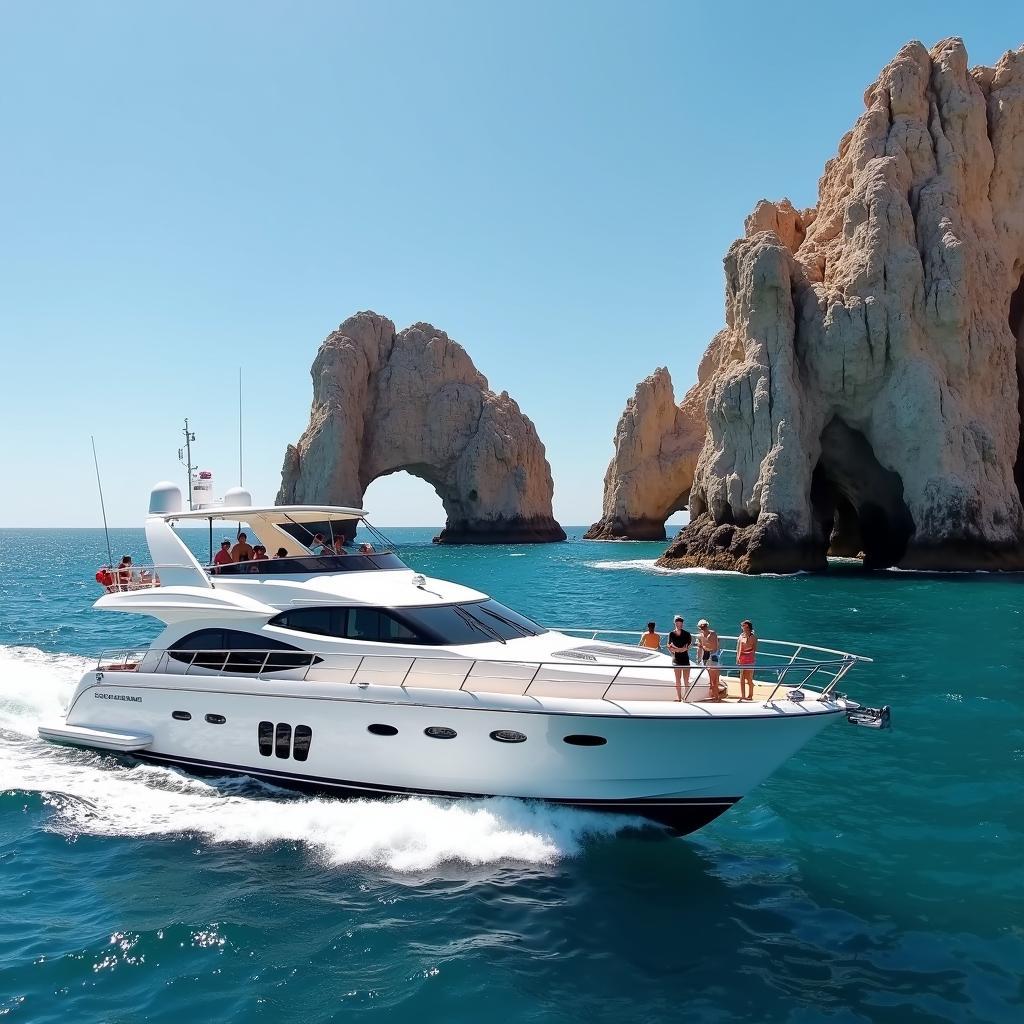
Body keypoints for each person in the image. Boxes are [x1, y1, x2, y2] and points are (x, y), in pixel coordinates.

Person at [667, 615, 692, 701]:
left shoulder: (687, 634)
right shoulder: (671, 634)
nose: (679, 625)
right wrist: (677, 651)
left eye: (681, 623)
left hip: (685, 659)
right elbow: (669, 646)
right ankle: (679, 697)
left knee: (686, 680)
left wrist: (680, 649)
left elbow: (688, 646)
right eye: (677, 623)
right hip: (676, 660)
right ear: (675, 623)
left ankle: (686, 697)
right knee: (678, 680)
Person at [696, 618, 722, 701]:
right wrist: (698, 658)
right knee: (710, 679)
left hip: (713, 656)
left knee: (714, 679)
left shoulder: (713, 634)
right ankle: (713, 695)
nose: (703, 628)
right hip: (706, 656)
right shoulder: (700, 636)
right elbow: (700, 648)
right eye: (702, 627)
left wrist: (703, 647)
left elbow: (714, 647)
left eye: (704, 627)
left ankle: (716, 697)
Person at [737, 619, 757, 701]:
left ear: (747, 627)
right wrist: (738, 657)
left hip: (750, 659)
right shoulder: (741, 636)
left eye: (743, 626)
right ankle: (743, 695)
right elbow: (738, 648)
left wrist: (749, 655)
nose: (742, 627)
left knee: (749, 678)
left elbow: (754, 649)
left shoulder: (753, 637)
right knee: (742, 677)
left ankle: (750, 695)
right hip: (742, 658)